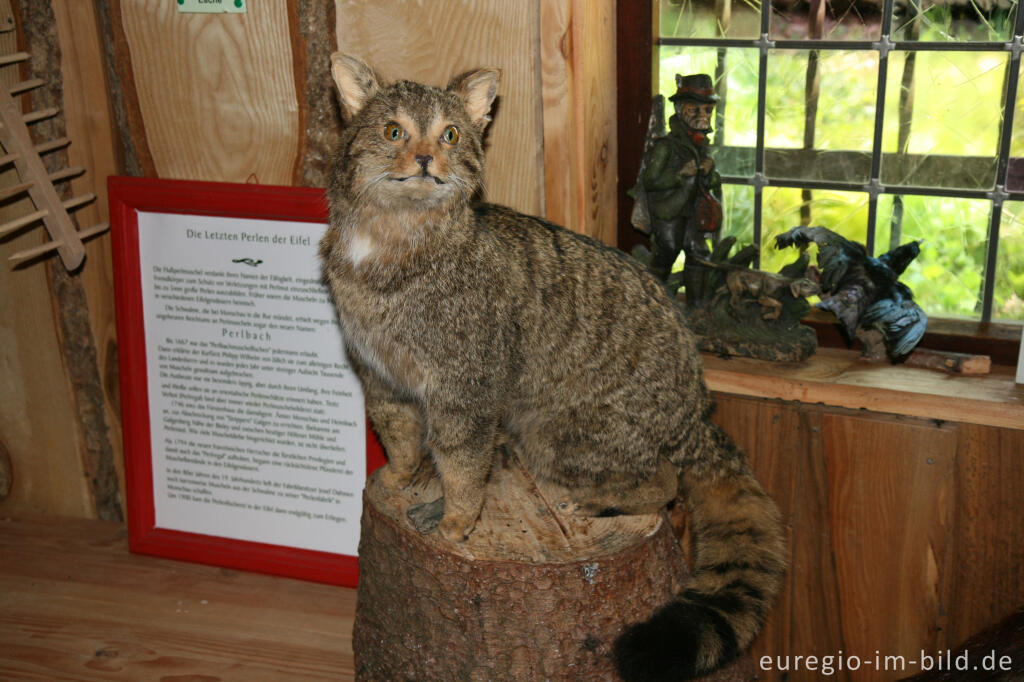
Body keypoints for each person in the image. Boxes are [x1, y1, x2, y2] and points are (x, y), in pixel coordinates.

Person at [637, 73, 722, 298]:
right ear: (680, 109)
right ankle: (651, 301)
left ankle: (696, 308)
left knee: (698, 252)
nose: (703, 116)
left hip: (692, 211)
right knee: (668, 250)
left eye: (707, 110)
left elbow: (708, 184)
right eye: (695, 109)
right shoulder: (666, 146)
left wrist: (709, 172)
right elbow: (650, 181)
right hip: (669, 212)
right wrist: (679, 174)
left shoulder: (702, 144)